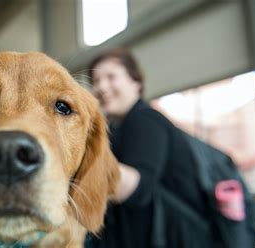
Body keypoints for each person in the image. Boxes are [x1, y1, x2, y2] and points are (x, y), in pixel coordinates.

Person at [86, 48, 214, 248]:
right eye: (96, 80)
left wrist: (76, 161)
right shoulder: (117, 127)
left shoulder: (145, 120)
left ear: (136, 82)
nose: (101, 86)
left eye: (111, 77)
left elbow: (138, 188)